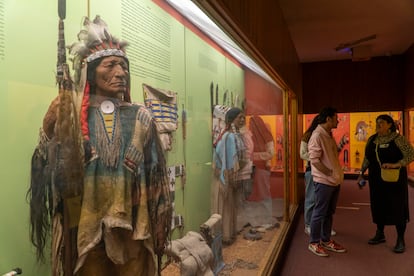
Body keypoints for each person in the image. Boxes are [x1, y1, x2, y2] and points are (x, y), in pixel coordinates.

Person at [28, 16, 172, 275]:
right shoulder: (71, 116)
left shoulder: (141, 116)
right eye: (111, 65)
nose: (121, 73)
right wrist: (50, 130)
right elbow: (54, 174)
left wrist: (160, 214)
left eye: (123, 66)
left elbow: (155, 176)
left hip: (133, 226)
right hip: (87, 226)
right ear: (90, 72)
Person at [356, 114, 414, 253]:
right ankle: (380, 233)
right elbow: (367, 158)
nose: (378, 125)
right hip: (376, 180)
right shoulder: (372, 140)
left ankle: (400, 239)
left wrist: (396, 165)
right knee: (378, 205)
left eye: (381, 123)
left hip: (395, 181)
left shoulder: (398, 139)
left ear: (389, 124)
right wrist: (361, 173)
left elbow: (411, 155)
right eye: (377, 123)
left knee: (397, 207)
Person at [307, 107, 346, 257]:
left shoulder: (328, 135)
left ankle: (326, 239)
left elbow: (331, 155)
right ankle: (314, 242)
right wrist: (328, 172)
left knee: (329, 212)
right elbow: (314, 161)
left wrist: (334, 173)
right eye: (336, 118)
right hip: (324, 181)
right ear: (328, 119)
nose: (338, 120)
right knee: (319, 212)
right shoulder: (317, 135)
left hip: (334, 180)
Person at [212, 107, 248, 244]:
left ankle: (227, 235)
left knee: (229, 206)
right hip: (225, 178)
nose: (243, 119)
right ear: (232, 119)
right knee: (226, 207)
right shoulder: (230, 136)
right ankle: (224, 236)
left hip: (227, 177)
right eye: (240, 117)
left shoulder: (232, 135)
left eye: (243, 117)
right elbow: (230, 160)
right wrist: (231, 178)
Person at [300, 115, 338, 236]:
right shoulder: (309, 135)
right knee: (312, 198)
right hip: (312, 171)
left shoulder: (327, 136)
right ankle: (308, 225)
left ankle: (322, 227)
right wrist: (318, 160)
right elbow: (303, 154)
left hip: (324, 172)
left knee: (323, 201)